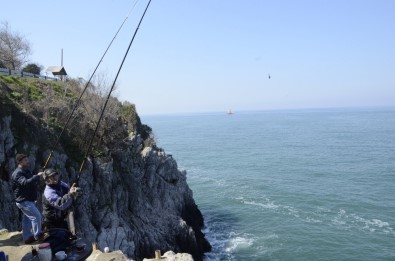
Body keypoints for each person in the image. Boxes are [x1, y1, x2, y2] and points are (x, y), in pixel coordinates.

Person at [41, 168, 80, 253]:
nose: (54, 178)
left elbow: (68, 190)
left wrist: (74, 191)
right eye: (51, 177)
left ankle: (64, 253)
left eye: (55, 175)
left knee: (66, 238)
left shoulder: (61, 184)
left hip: (60, 218)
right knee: (59, 240)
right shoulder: (48, 193)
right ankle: (48, 252)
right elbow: (61, 205)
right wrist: (70, 195)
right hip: (51, 222)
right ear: (47, 180)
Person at [11, 153, 45, 244]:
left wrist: (39, 178)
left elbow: (31, 183)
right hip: (23, 201)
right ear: (20, 162)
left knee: (27, 219)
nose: (28, 161)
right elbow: (25, 183)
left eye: (27, 159)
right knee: (36, 216)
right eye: (25, 160)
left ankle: (27, 237)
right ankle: (38, 236)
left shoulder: (26, 171)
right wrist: (37, 176)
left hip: (28, 200)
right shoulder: (17, 173)